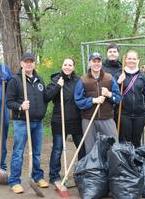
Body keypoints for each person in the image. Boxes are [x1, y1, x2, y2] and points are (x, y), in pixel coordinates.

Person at [6, 53, 49, 194]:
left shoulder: (39, 79)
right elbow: (9, 102)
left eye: (31, 62)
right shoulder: (15, 80)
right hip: (22, 122)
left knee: (36, 152)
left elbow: (45, 98)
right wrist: (20, 106)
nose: (29, 64)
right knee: (18, 152)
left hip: (38, 122)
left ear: (34, 64)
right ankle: (14, 181)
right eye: (26, 62)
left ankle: (37, 177)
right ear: (21, 64)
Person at [46, 58, 85, 189]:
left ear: (73, 67)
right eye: (65, 64)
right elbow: (47, 97)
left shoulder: (78, 80)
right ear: (61, 66)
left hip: (76, 120)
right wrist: (58, 86)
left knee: (81, 148)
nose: (67, 67)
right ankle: (54, 175)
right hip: (59, 120)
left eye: (70, 65)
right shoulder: (55, 79)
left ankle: (81, 173)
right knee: (58, 148)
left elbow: (82, 96)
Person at [74, 52, 121, 154]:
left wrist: (109, 94)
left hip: (107, 118)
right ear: (90, 63)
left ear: (101, 63)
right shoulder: (83, 80)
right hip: (89, 119)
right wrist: (93, 100)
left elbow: (118, 98)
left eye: (98, 61)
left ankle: (113, 169)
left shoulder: (109, 78)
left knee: (114, 147)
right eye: (94, 61)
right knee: (91, 149)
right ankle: (93, 169)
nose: (96, 64)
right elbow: (78, 101)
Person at [117, 50, 145, 148]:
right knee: (126, 141)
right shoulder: (120, 74)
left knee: (137, 141)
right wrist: (118, 82)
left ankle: (136, 161)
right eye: (129, 58)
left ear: (138, 60)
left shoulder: (143, 77)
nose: (131, 61)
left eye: (134, 59)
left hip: (140, 115)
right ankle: (126, 162)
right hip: (124, 114)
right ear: (125, 60)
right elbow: (114, 94)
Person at [0, 64, 12, 171]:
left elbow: (11, 87)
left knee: (2, 137)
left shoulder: (5, 69)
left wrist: (7, 81)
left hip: (3, 107)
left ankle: (1, 166)